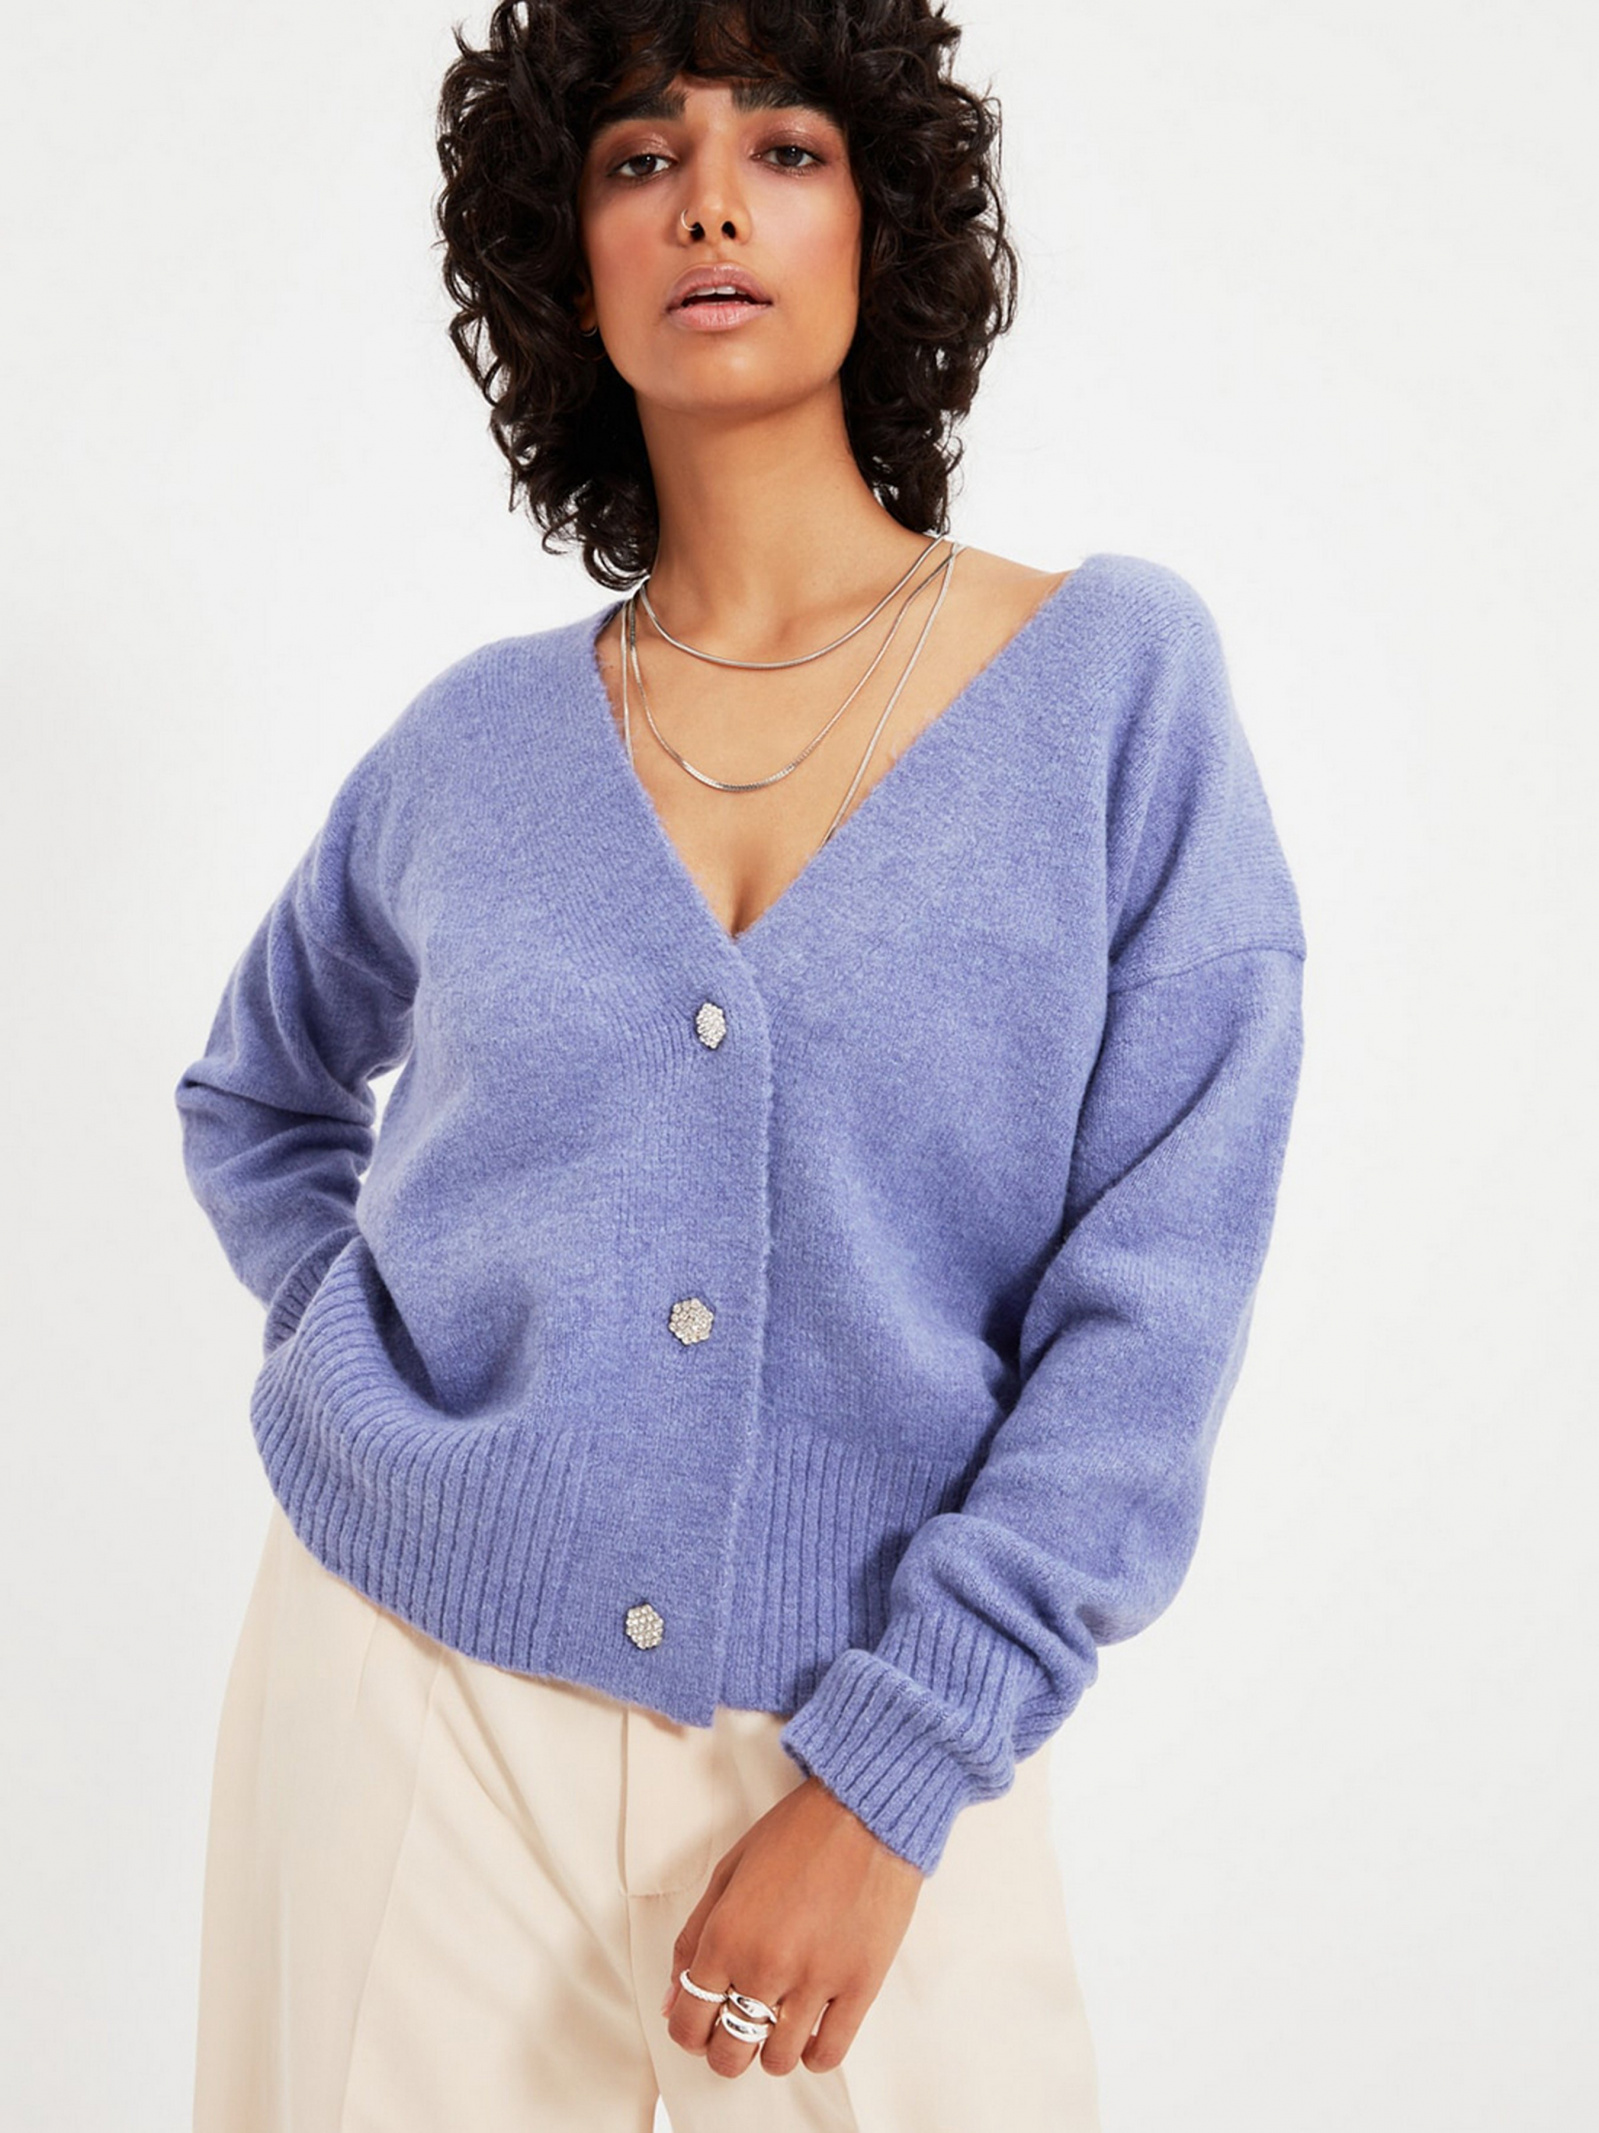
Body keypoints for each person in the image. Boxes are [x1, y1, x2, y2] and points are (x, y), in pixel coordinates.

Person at [174, 3, 1308, 2128]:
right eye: (639, 157)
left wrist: (892, 1770)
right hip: (405, 1690)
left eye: (782, 150)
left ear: (884, 223)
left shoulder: (1111, 689)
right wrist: (350, 1348)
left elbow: (1156, 1298)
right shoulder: (471, 744)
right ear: (568, 259)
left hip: (870, 1750)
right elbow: (257, 1089)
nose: (708, 201)